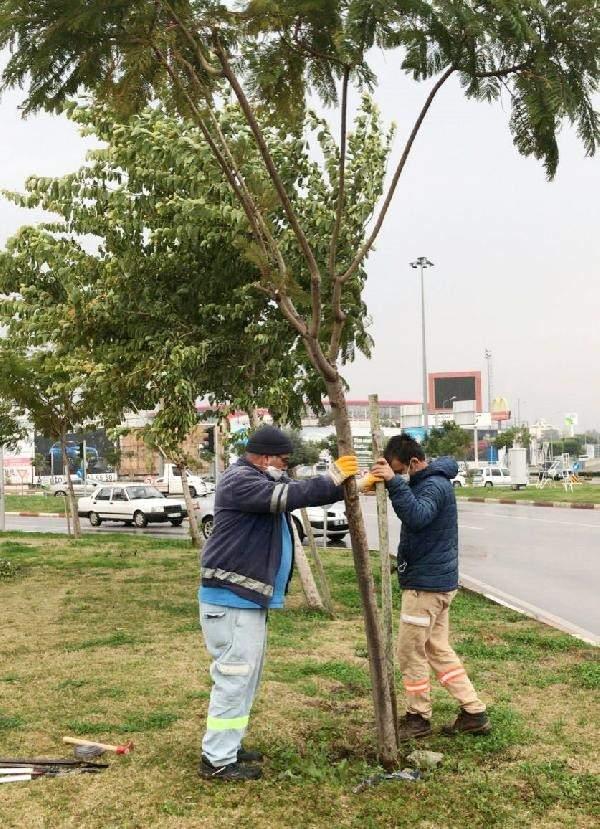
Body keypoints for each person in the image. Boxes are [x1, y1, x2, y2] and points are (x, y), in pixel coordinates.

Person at [198, 425, 358, 781]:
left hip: (246, 601)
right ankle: (216, 760)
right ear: (265, 456)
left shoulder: (258, 480)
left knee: (245, 679)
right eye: (283, 461)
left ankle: (229, 746)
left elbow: (297, 495)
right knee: (234, 678)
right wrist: (332, 476)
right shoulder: (239, 480)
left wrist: (351, 486)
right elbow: (289, 496)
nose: (285, 468)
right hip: (231, 601)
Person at [368, 433, 491, 741]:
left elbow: (418, 516)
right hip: (434, 582)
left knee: (409, 651)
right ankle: (473, 711)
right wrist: (390, 482)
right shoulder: (427, 481)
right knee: (437, 649)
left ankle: (418, 717)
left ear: (413, 462)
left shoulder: (434, 485)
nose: (397, 476)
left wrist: (395, 484)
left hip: (426, 587)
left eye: (399, 470)